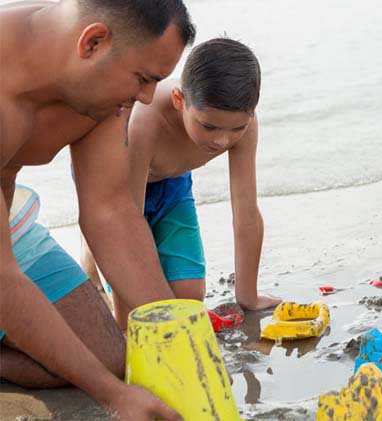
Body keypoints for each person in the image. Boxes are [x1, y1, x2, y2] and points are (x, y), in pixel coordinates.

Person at [0, 0, 195, 418]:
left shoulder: (99, 93)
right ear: (92, 43)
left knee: (107, 358)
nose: (146, 98)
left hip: (8, 219)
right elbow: (2, 280)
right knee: (99, 378)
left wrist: (182, 339)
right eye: (143, 79)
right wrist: (113, 395)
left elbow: (110, 211)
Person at [80, 38, 282, 326]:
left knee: (188, 297)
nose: (222, 140)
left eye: (237, 128)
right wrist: (126, 326)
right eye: (208, 126)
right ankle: (90, 255)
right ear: (179, 101)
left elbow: (246, 214)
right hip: (115, 189)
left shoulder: (243, 124)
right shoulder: (146, 121)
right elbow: (126, 226)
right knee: (144, 300)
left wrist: (247, 296)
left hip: (172, 184)